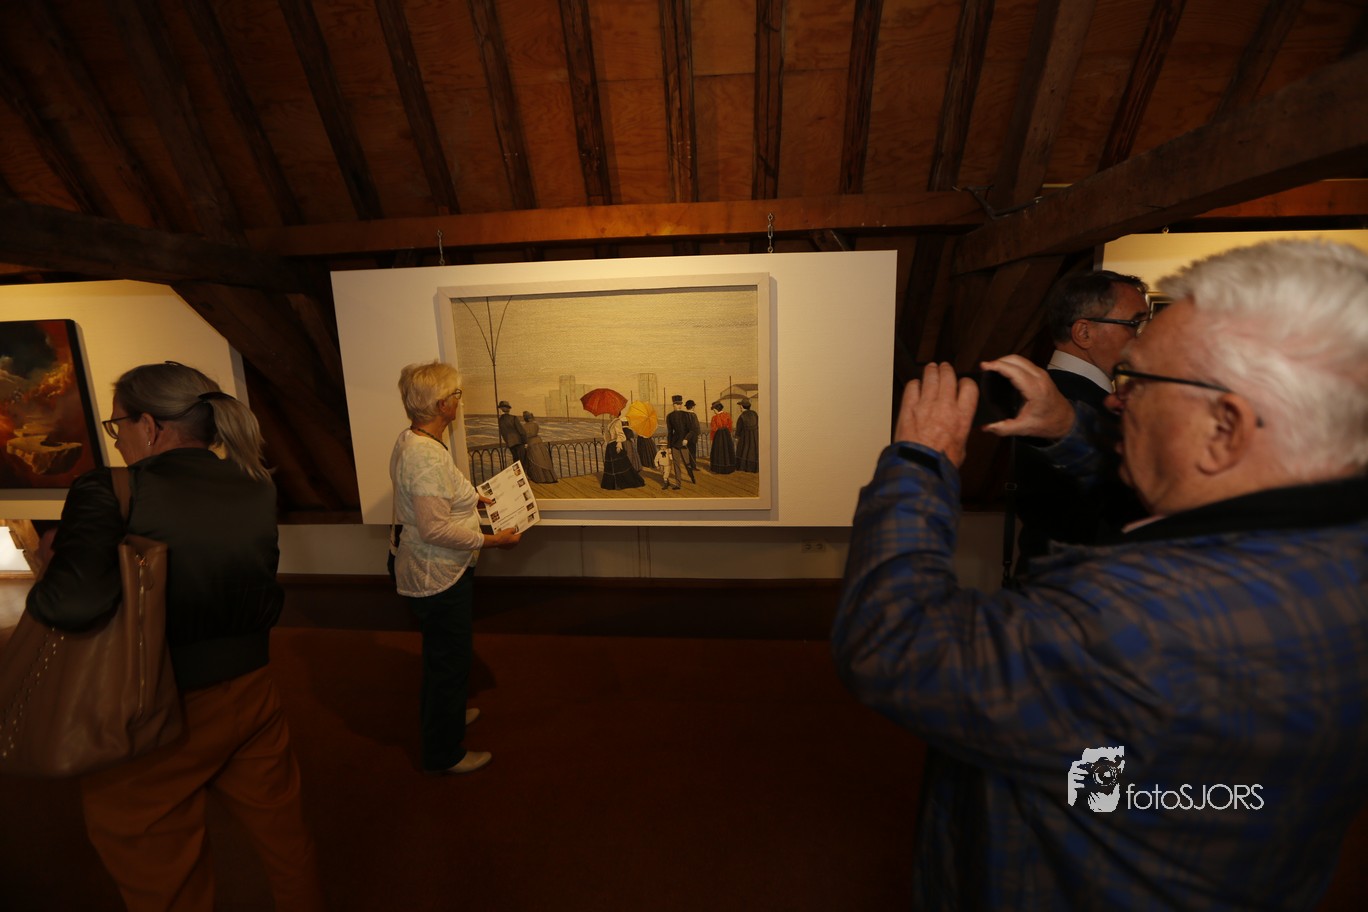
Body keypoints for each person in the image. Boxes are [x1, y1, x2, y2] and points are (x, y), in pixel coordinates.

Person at [832, 239, 1368, 910]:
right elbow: (1161, 495)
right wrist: (1068, 429)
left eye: (1138, 382)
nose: (1116, 402)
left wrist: (920, 461)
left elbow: (896, 641)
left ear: (1225, 428)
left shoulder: (1137, 621)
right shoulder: (1333, 543)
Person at [25, 361, 325, 912]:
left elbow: (71, 604)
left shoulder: (110, 488)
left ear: (150, 425)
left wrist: (49, 563)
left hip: (154, 703)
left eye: (117, 426)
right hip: (253, 692)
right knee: (285, 840)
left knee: (159, 869)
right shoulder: (254, 483)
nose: (117, 440)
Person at [391, 362, 521, 776]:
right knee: (449, 661)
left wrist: (474, 498)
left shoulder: (416, 439)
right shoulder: (425, 456)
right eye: (457, 395)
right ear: (441, 405)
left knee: (442, 654)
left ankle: (445, 715)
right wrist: (493, 541)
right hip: (438, 574)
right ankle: (443, 752)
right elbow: (434, 529)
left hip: (438, 568)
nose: (460, 401)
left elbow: (442, 491)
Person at [1012, 270, 1149, 574]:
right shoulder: (1067, 404)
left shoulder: (1052, 392)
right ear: (1084, 333)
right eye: (1134, 324)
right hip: (1080, 583)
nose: (1140, 337)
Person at [600, 413, 645, 489]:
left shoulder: (617, 422)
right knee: (612, 466)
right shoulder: (610, 424)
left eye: (612, 414)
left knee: (620, 465)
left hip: (616, 445)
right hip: (610, 446)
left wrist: (618, 444)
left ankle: (620, 483)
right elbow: (608, 439)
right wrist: (604, 432)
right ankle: (613, 484)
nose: (610, 416)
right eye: (610, 414)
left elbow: (621, 435)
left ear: (616, 415)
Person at [519, 410, 558, 484]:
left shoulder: (523, 426)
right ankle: (549, 478)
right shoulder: (535, 425)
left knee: (535, 461)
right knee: (542, 460)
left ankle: (540, 478)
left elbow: (525, 435)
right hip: (538, 443)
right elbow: (534, 433)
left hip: (531, 444)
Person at [665, 395, 695, 484]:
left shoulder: (686, 414)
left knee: (687, 462)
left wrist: (686, 439)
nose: (679, 405)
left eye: (680, 404)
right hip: (674, 443)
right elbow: (670, 432)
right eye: (677, 404)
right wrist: (669, 446)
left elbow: (692, 430)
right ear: (673, 404)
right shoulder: (669, 416)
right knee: (676, 463)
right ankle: (678, 483)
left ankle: (692, 478)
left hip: (684, 443)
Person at [708, 401, 736, 474]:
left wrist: (712, 437)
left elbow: (714, 428)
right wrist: (727, 433)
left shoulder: (714, 418)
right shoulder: (727, 415)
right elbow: (730, 426)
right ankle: (728, 467)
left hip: (718, 435)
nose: (714, 411)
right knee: (727, 449)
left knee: (718, 450)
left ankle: (718, 468)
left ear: (716, 409)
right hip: (726, 434)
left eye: (714, 410)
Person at [497, 400, 526, 467]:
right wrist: (525, 441)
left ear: (501, 409)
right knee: (522, 461)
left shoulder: (500, 420)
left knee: (516, 462)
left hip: (510, 443)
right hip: (519, 442)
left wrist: (507, 441)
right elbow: (521, 431)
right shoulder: (513, 418)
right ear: (508, 409)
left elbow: (503, 433)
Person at [734, 397, 759, 472]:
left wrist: (736, 438)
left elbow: (738, 429)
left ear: (742, 407)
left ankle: (743, 467)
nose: (740, 408)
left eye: (740, 406)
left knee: (743, 450)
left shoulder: (742, 416)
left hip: (745, 437)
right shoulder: (754, 413)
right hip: (755, 437)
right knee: (753, 451)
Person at [683, 399, 701, 480]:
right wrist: (697, 434)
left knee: (686, 452)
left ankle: (689, 466)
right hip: (692, 436)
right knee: (692, 451)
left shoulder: (684, 415)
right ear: (693, 407)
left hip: (685, 436)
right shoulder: (693, 415)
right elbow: (695, 427)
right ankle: (693, 466)